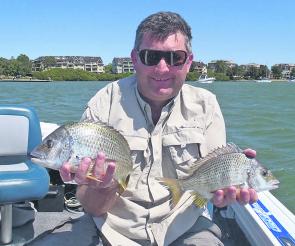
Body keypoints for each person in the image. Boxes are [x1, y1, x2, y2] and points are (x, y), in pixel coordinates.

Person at [60, 11, 258, 246]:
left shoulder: (207, 105)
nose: (163, 68)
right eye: (151, 56)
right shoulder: (104, 103)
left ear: (189, 62)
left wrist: (224, 194)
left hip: (185, 227)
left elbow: (213, 188)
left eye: (176, 58)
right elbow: (92, 207)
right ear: (134, 58)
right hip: (112, 230)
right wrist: (103, 187)